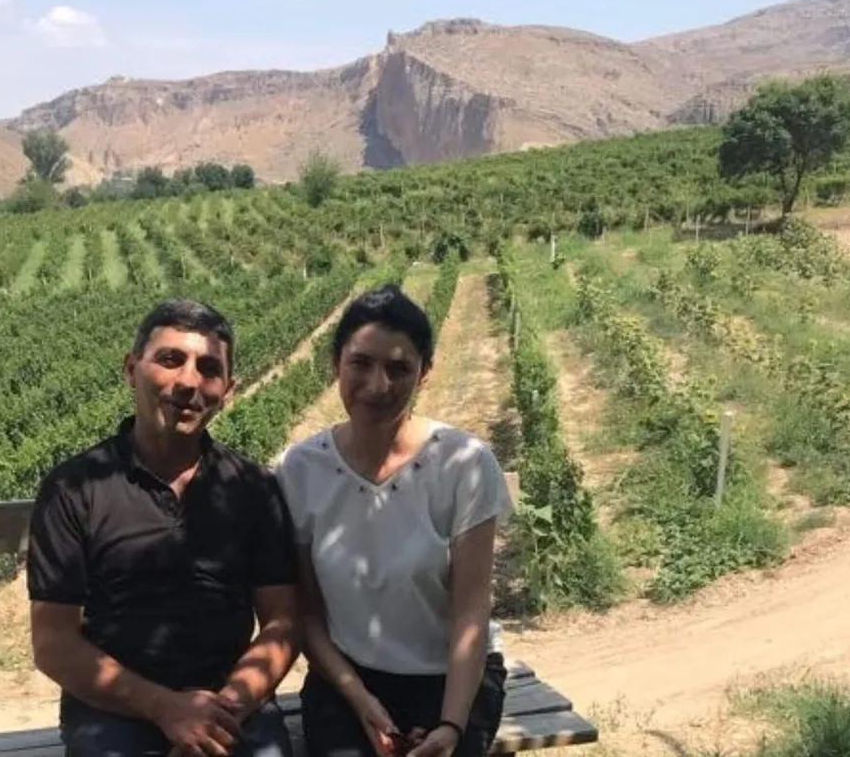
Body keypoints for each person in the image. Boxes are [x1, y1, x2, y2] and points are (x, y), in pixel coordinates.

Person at [27, 299, 300, 757]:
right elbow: (53, 643)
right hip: (114, 711)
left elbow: (283, 622)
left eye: (209, 368)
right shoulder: (75, 489)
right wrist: (167, 709)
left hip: (231, 704)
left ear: (227, 388)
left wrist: (221, 711)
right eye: (170, 359)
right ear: (131, 369)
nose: (189, 382)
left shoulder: (251, 487)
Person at [272, 284, 514, 757]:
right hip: (349, 678)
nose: (378, 385)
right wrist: (360, 699)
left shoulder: (464, 465)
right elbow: (309, 615)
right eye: (360, 363)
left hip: (454, 678)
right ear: (335, 364)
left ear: (425, 373)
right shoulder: (300, 471)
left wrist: (450, 725)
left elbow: (470, 612)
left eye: (399, 368)